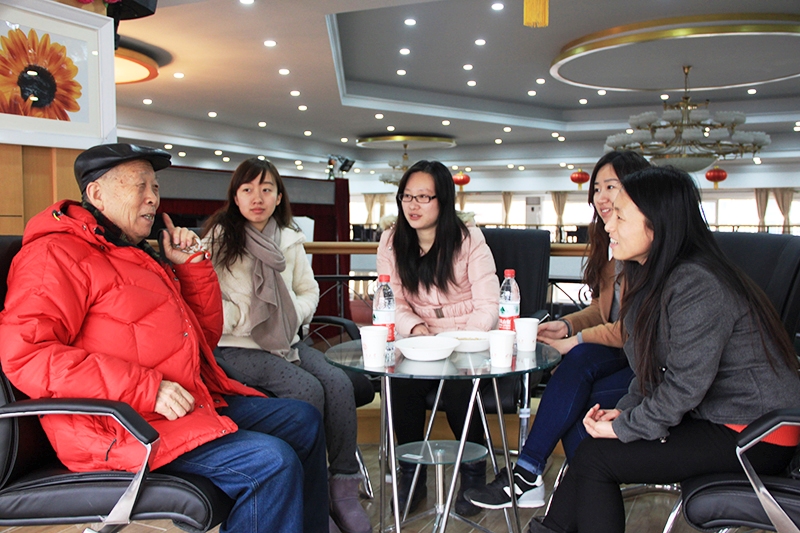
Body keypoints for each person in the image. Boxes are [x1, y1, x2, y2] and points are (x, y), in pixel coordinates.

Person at [0, 143, 329, 533]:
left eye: (155, 187)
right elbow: (27, 356)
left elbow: (202, 340)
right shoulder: (55, 254)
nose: (153, 198)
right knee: (270, 462)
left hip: (178, 406)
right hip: (120, 427)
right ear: (97, 194)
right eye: (139, 186)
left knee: (303, 419)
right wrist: (147, 388)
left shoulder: (132, 253)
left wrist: (192, 269)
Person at [529, 166, 800, 533]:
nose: (608, 226)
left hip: (756, 433)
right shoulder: (648, 278)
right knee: (592, 450)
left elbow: (683, 386)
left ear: (656, 225)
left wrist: (626, 425)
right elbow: (649, 373)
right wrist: (624, 412)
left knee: (596, 458)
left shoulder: (697, 284)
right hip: (718, 418)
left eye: (620, 216)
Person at [466, 151, 649, 509]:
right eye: (597, 188)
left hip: (646, 362)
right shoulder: (610, 244)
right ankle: (565, 492)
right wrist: (566, 325)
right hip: (617, 354)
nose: (601, 197)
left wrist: (574, 340)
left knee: (577, 376)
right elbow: (601, 310)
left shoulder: (644, 248)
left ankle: (533, 477)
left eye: (611, 186)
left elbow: (635, 330)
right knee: (576, 378)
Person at [201, 158, 371, 533]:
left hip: (286, 341)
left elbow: (308, 291)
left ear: (279, 197)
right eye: (247, 189)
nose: (257, 198)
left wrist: (288, 312)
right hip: (236, 346)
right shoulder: (218, 239)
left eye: (266, 189)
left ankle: (342, 489)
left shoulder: (290, 239)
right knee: (307, 389)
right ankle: (311, 495)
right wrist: (248, 316)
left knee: (339, 384)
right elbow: (207, 300)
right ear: (235, 197)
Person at [376, 159, 500, 516]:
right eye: (406, 196)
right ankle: (411, 476)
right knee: (400, 383)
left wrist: (459, 344)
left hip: (467, 340)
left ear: (443, 200)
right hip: (419, 338)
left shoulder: (469, 239)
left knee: (461, 388)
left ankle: (473, 474)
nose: (412, 205)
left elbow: (488, 305)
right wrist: (415, 329)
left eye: (423, 197)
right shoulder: (391, 241)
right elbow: (392, 300)